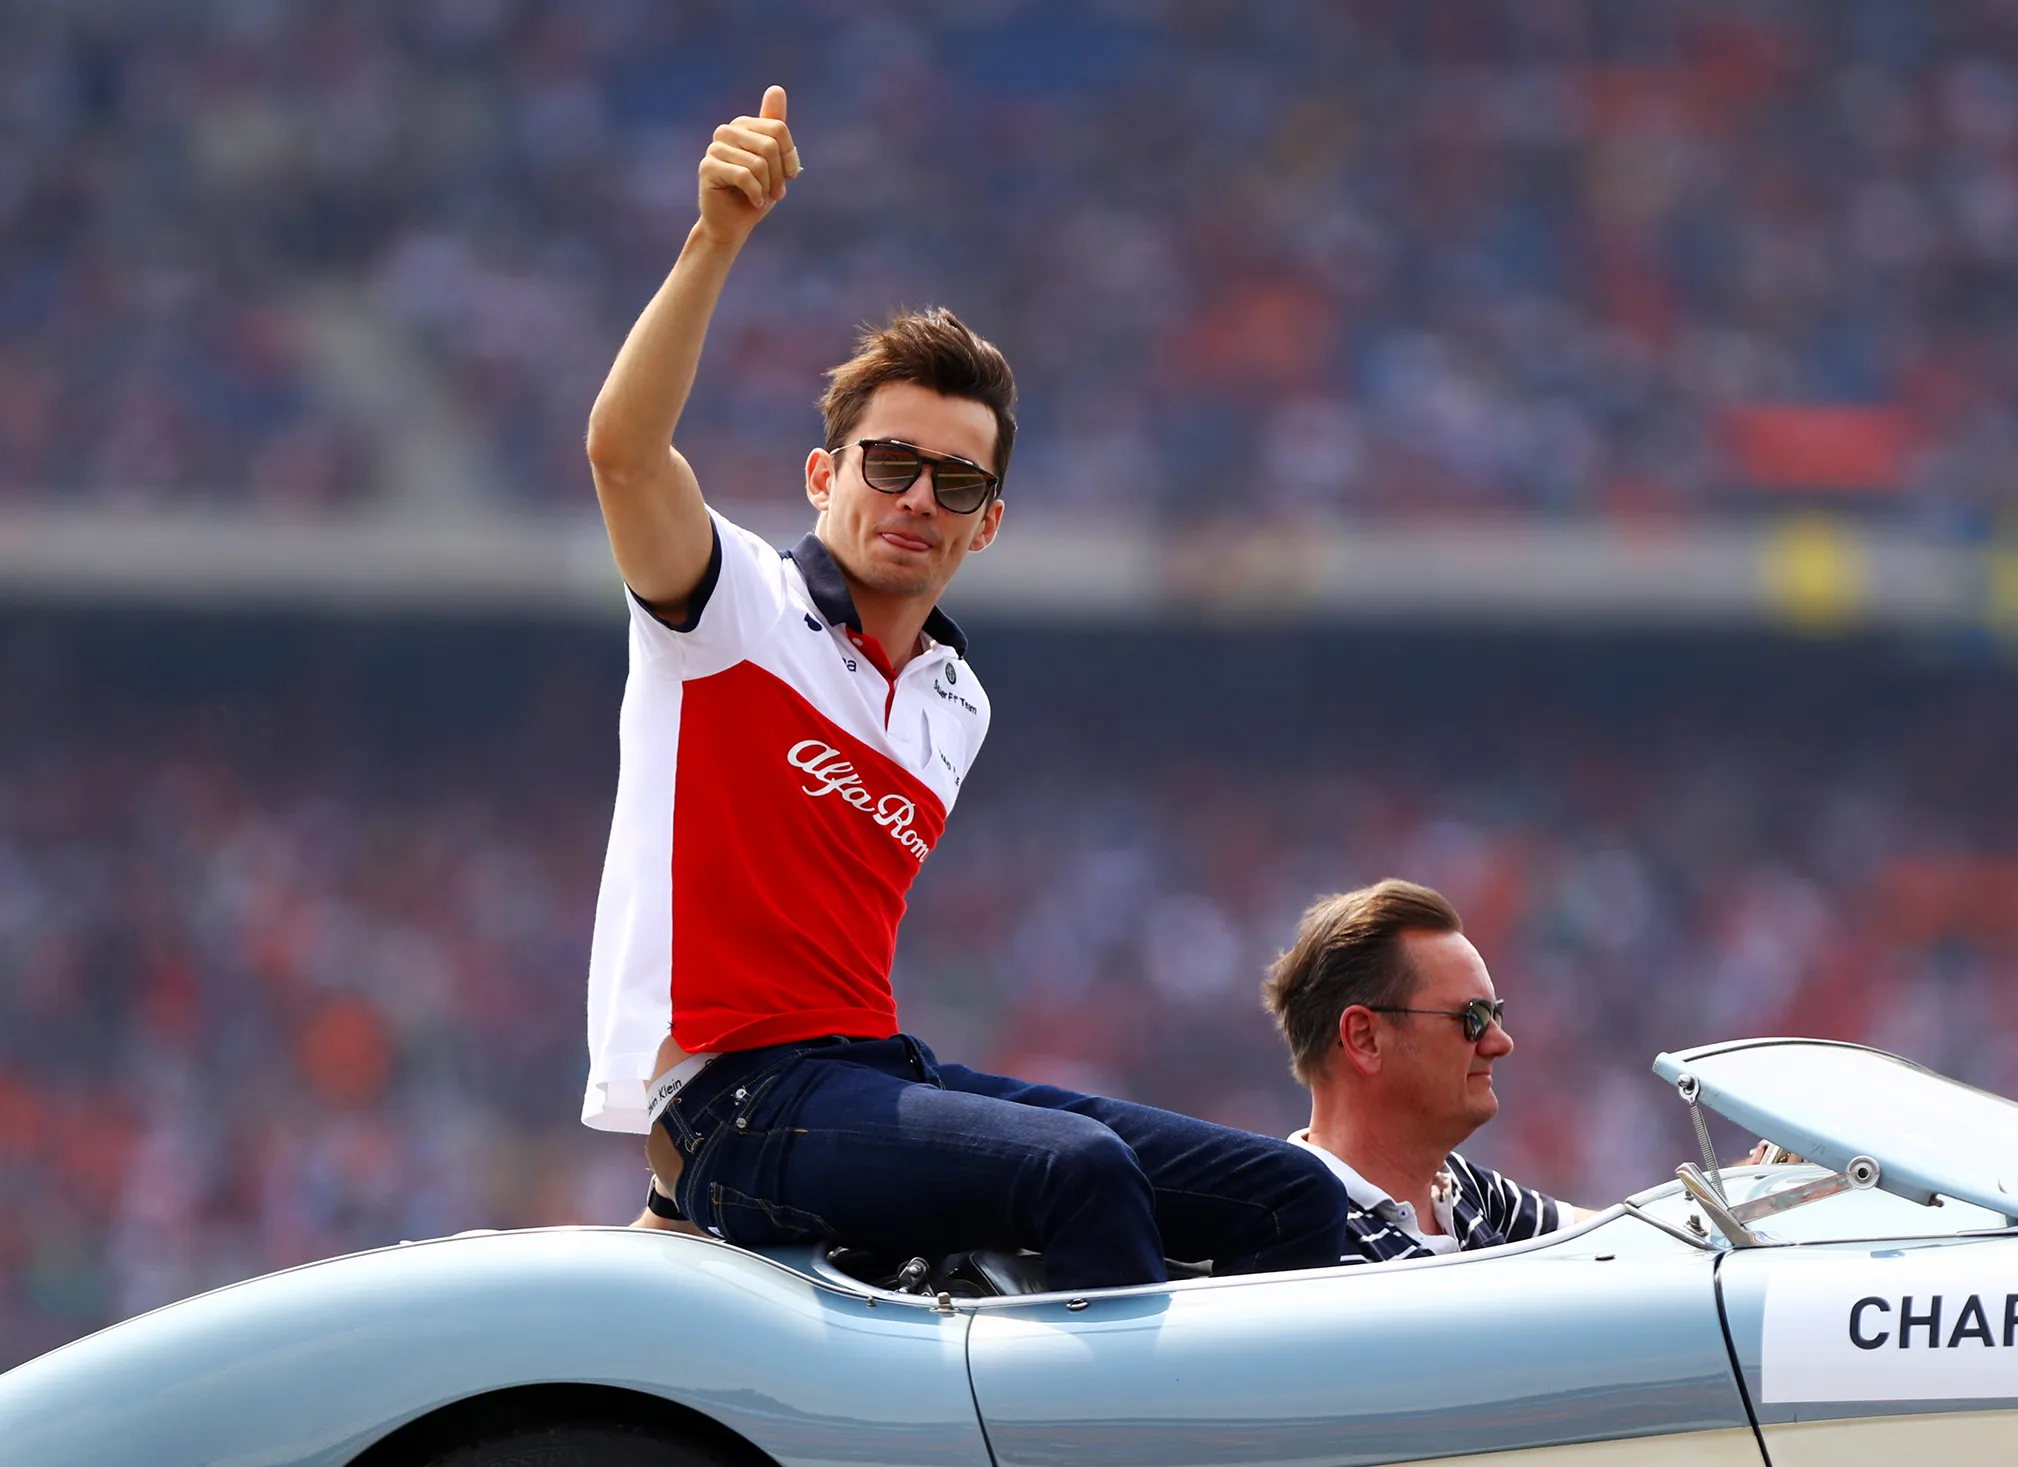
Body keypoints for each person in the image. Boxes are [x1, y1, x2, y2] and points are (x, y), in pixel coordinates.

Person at [579, 85, 1345, 1290]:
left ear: (988, 526)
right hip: (733, 1105)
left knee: (1290, 1195)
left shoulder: (957, 702)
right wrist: (715, 237)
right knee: (1078, 1171)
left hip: (869, 1072)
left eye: (955, 483)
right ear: (824, 473)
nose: (917, 501)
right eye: (890, 466)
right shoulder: (730, 611)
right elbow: (624, 454)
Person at [1262, 879, 1586, 1263]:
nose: (1501, 1042)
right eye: (1474, 1018)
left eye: (1495, 1014)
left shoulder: (1462, 1187)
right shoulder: (1311, 1239)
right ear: (1365, 1038)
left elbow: (1621, 1235)